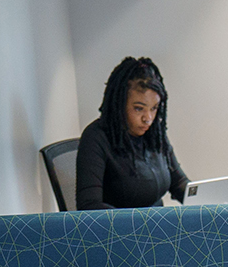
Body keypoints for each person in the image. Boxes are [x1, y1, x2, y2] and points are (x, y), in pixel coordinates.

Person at [75, 57, 189, 210]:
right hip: (121, 230)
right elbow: (89, 205)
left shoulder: (154, 134)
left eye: (154, 108)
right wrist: (139, 225)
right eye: (138, 108)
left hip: (158, 224)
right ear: (119, 104)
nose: (148, 119)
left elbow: (179, 183)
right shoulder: (96, 137)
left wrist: (208, 204)